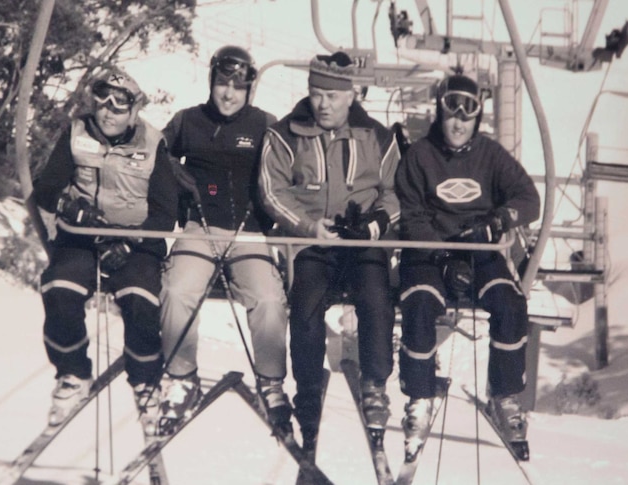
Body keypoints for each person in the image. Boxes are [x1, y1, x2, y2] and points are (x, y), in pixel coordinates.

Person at [259, 51, 401, 456]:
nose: (323, 104)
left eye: (332, 97)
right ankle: (307, 390)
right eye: (316, 94)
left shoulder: (377, 136)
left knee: (376, 300)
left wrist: (375, 224)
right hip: (316, 240)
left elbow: (395, 193)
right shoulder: (287, 133)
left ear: (351, 96)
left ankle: (375, 384)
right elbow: (272, 190)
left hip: (361, 241)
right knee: (305, 309)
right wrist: (307, 227)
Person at [394, 73, 540, 457]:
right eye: (451, 111)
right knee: (421, 303)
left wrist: (499, 220)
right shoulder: (419, 156)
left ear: (477, 117)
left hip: (478, 250)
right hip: (427, 252)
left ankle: (506, 394)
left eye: (468, 112)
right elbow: (410, 216)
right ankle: (419, 397)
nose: (458, 122)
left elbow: (529, 199)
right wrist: (440, 257)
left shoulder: (490, 156)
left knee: (510, 303)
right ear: (439, 111)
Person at [157, 45, 291, 435]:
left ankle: (271, 382)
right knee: (178, 289)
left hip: (249, 232)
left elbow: (288, 170)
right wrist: (175, 178)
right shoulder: (187, 121)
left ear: (249, 88)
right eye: (221, 84)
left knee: (268, 298)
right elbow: (155, 152)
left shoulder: (266, 123)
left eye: (237, 86)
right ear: (211, 82)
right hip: (201, 228)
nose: (228, 94)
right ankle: (182, 378)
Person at [31, 68, 177, 426]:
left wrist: (130, 244)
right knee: (59, 287)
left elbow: (166, 212)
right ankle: (73, 372)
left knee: (140, 297)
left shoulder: (152, 142)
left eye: (120, 103)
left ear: (134, 109)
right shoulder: (77, 133)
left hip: (137, 241)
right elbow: (47, 188)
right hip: (83, 237)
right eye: (102, 99)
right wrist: (70, 205)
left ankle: (145, 381)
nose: (109, 111)